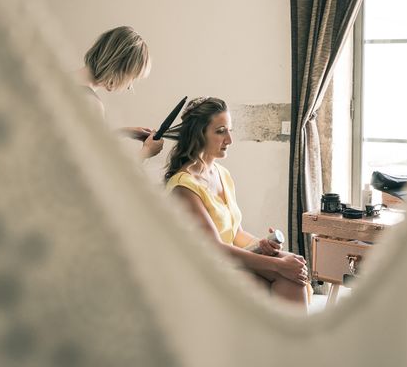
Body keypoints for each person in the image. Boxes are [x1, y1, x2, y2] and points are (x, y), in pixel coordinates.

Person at [165, 97, 308, 308]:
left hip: (228, 261)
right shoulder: (183, 186)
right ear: (199, 134)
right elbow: (214, 249)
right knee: (288, 274)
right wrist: (277, 266)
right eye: (220, 131)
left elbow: (237, 234)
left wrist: (262, 244)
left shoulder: (222, 174)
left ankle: (288, 337)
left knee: (295, 265)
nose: (229, 139)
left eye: (229, 130)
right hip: (204, 270)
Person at [76, 26, 164, 159]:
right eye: (132, 77)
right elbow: (97, 168)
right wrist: (146, 152)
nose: (129, 86)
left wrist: (122, 133)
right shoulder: (91, 103)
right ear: (118, 66)